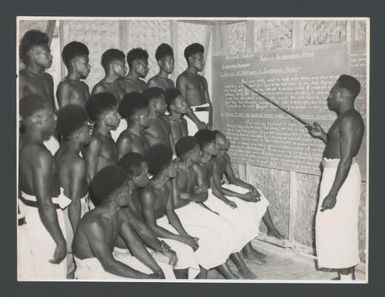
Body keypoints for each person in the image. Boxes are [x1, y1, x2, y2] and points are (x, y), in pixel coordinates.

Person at [307, 75, 364, 281]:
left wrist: (333, 194)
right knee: (336, 226)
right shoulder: (344, 118)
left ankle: (347, 280)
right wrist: (322, 135)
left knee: (340, 227)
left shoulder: (350, 119)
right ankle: (345, 276)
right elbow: (338, 147)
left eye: (332, 92)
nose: (328, 96)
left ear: (342, 94)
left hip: (341, 179)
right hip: (336, 174)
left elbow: (346, 159)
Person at [173, 136, 255, 279]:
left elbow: (203, 195)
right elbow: (173, 201)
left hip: (193, 206)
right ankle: (227, 275)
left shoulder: (196, 168)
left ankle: (234, 267)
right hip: (177, 213)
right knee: (209, 237)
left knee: (225, 227)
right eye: (198, 151)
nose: (200, 154)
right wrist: (193, 195)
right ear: (190, 153)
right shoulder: (173, 170)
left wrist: (187, 195)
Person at [72, 165, 165, 279]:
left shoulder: (119, 212)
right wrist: (147, 278)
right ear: (117, 196)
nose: (131, 192)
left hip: (110, 262)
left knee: (164, 268)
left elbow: (134, 243)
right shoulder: (93, 224)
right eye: (128, 189)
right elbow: (109, 265)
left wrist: (157, 270)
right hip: (91, 271)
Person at [118, 153, 200, 279]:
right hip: (128, 249)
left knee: (182, 252)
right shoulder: (124, 199)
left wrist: (166, 243)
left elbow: (143, 228)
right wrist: (162, 247)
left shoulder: (134, 191)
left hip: (142, 240)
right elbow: (141, 230)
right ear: (133, 177)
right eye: (145, 174)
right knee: (174, 259)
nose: (149, 176)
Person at [194, 130, 262, 272]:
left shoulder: (211, 162)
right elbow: (199, 193)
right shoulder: (196, 165)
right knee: (231, 220)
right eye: (214, 144)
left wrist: (227, 202)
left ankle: (247, 252)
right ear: (205, 147)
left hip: (213, 195)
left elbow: (216, 188)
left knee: (239, 214)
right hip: (201, 200)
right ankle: (241, 264)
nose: (217, 147)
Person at [18, 95, 68, 280]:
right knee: (51, 276)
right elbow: (45, 202)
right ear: (37, 119)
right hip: (45, 223)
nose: (55, 118)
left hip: (32, 216)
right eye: (51, 114)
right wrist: (60, 240)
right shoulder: (40, 155)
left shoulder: (22, 143)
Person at [212, 130, 282, 261]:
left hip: (225, 187)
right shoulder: (212, 160)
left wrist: (251, 188)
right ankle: (248, 251)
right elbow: (217, 188)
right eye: (223, 139)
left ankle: (271, 229)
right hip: (217, 192)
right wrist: (242, 196)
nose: (227, 140)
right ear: (215, 144)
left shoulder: (225, 156)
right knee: (242, 211)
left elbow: (232, 179)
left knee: (258, 195)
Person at [139, 145, 201, 279]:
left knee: (191, 245)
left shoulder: (167, 184)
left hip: (163, 225)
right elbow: (151, 226)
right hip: (151, 231)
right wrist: (180, 239)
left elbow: (171, 212)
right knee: (184, 251)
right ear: (164, 168)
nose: (176, 165)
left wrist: (186, 235)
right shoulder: (148, 193)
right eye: (173, 163)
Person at [54, 105, 92, 277]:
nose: (90, 128)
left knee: (66, 268)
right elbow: (75, 203)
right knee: (72, 265)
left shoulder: (60, 151)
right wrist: (78, 236)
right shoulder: (77, 162)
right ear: (77, 134)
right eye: (87, 126)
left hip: (63, 213)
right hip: (72, 216)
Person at [19, 29, 59, 155]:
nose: (51, 57)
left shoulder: (48, 78)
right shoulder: (21, 79)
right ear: (32, 54)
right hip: (32, 137)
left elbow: (53, 109)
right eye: (46, 53)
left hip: (52, 133)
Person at [176, 43, 212, 135]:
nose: (203, 62)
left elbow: (209, 103)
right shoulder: (183, 78)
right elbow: (183, 104)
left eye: (203, 59)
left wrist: (210, 121)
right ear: (191, 60)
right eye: (200, 59)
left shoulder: (202, 79)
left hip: (205, 118)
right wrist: (198, 123)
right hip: (192, 118)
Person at [84, 92, 120, 183]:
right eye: (115, 114)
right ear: (105, 117)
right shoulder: (95, 141)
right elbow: (90, 177)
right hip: (101, 192)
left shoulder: (108, 136)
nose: (118, 117)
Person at [116, 92, 151, 159]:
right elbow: (120, 166)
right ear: (137, 117)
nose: (150, 117)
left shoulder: (141, 135)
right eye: (147, 114)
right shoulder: (125, 140)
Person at [57, 41, 91, 108]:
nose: (89, 66)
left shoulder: (84, 86)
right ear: (74, 63)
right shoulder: (65, 85)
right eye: (85, 63)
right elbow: (64, 113)